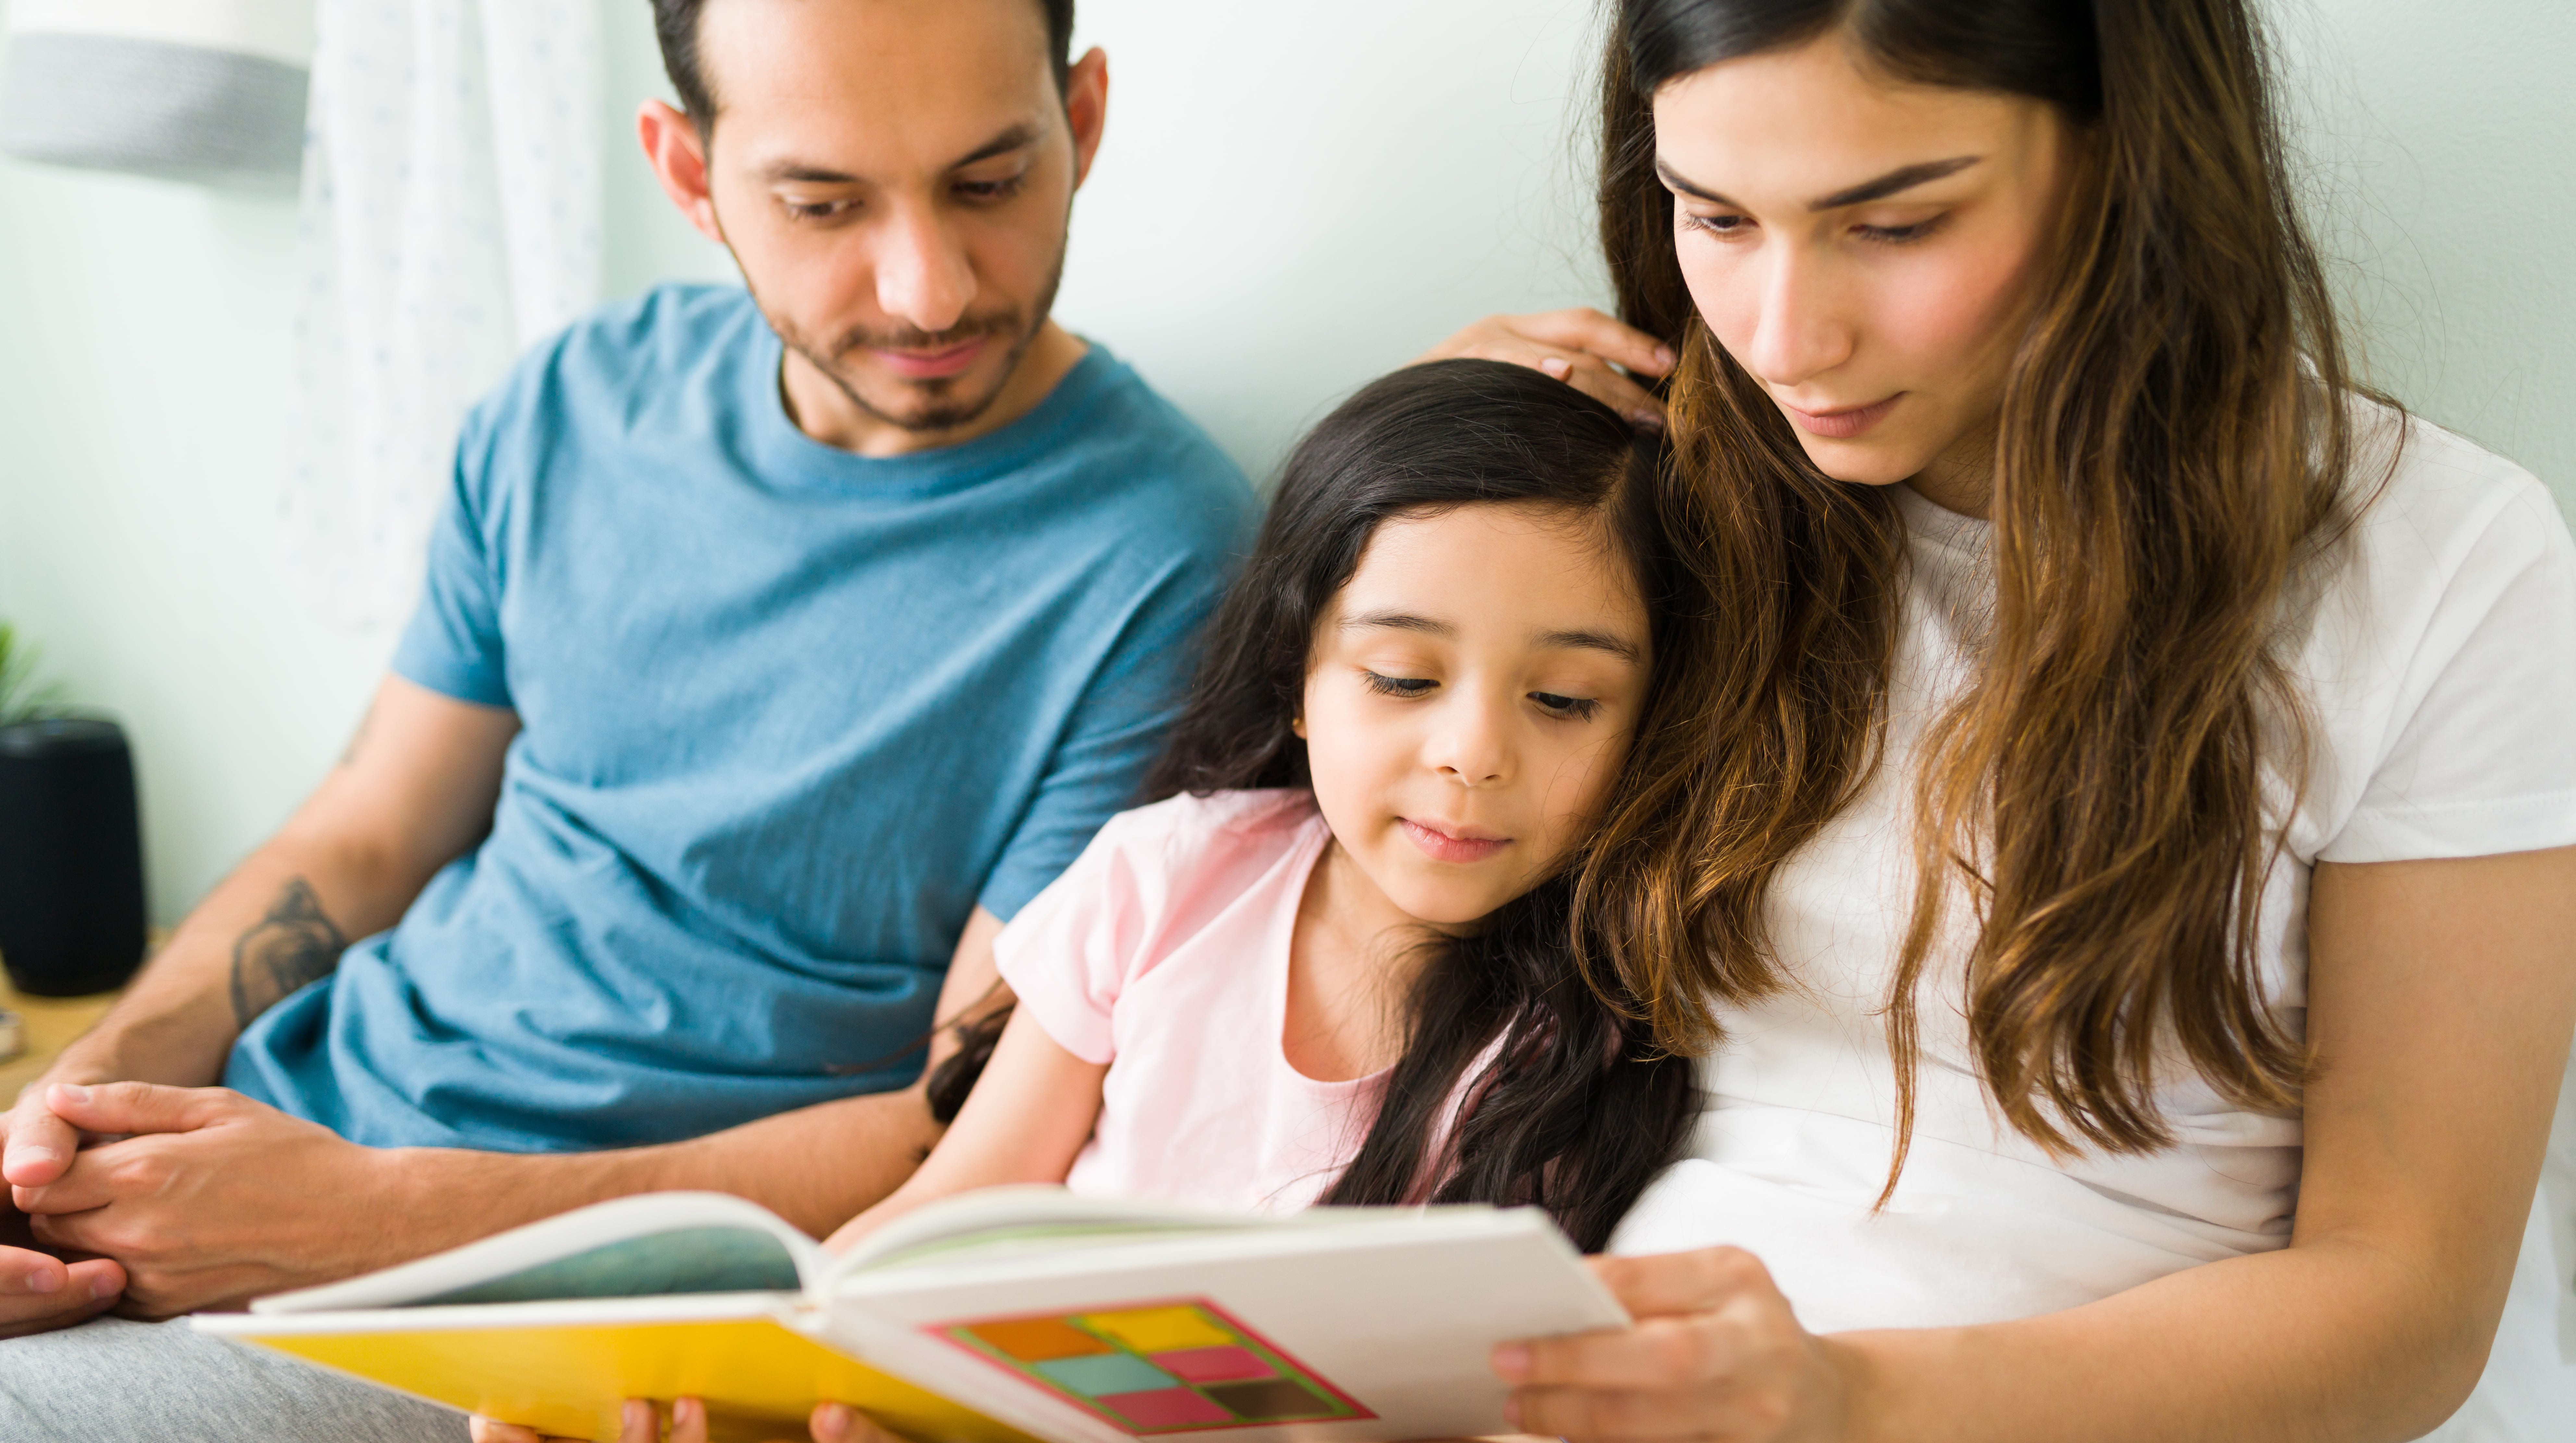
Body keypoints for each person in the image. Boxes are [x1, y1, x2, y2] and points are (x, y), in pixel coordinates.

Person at [0, 0, 1252, 1437]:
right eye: (822, 202)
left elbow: (956, 1118)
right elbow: (362, 834)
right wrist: (80, 1104)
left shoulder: (1169, 558)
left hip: (546, 1304)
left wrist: (369, 1218)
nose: (925, 288)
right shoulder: (565, 406)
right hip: (268, 1139)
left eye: (988, 182)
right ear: (686, 175)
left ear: (1080, 122)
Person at [1418, 1, 2576, 1440]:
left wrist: (1842, 1394)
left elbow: (2404, 1305)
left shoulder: (2440, 561)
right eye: (1711, 218)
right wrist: (1425, 517)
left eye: (1895, 225)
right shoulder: (1664, 496)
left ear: (2123, 166)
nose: (1786, 340)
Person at [473, 355, 1724, 1443]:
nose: (1472, 751)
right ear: (1301, 680)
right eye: (1401, 677)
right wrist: (744, 1364)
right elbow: (955, 1205)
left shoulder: (1598, 1034)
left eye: (1562, 701)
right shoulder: (1168, 877)